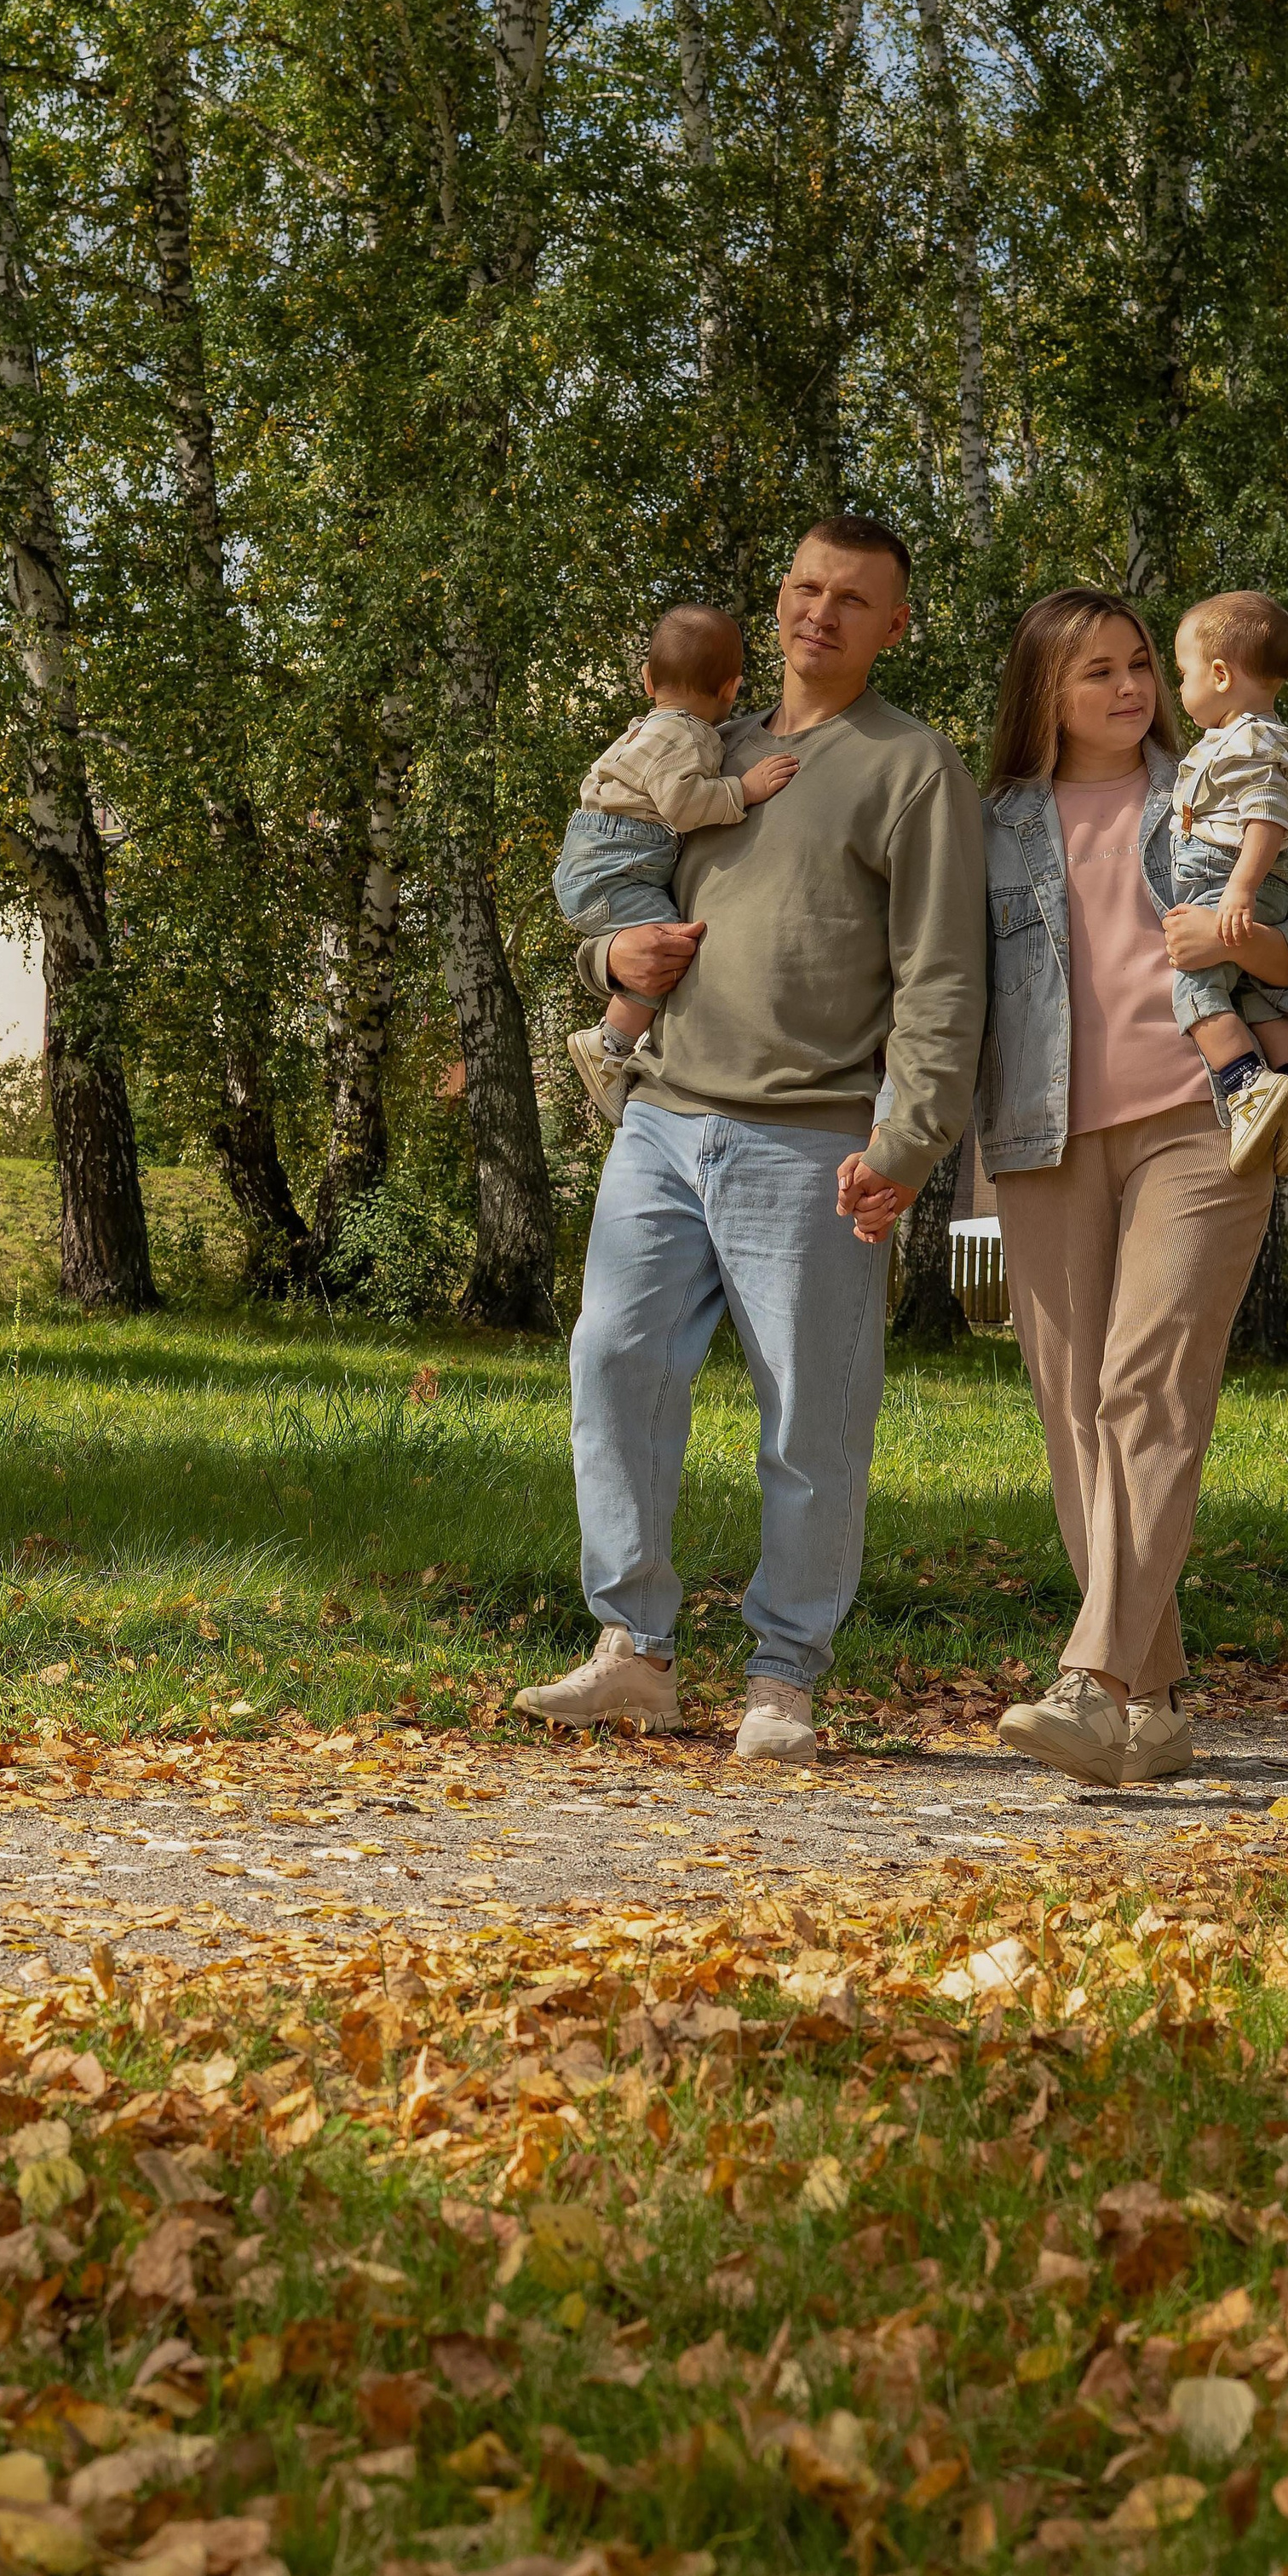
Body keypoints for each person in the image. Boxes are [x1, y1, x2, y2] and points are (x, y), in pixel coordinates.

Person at [515, 515, 986, 1762]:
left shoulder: (911, 765)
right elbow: (610, 890)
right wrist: (605, 962)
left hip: (813, 1137)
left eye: (853, 598)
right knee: (612, 1363)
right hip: (663, 1119)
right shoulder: (701, 745)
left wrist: (909, 1139)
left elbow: (942, 973)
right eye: (805, 587)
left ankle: (783, 1681)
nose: (820, 612)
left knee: (810, 1419)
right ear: (778, 599)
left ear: (895, 625)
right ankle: (634, 1650)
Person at [974, 589, 1288, 1790]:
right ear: (1044, 690)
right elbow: (948, 992)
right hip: (1040, 1138)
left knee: (1146, 1385)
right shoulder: (989, 825)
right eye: (1096, 671)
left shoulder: (1218, 780)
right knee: (1074, 1412)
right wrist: (928, 1160)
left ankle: (1091, 1682)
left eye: (1140, 662)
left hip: (1206, 1119)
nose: (1130, 687)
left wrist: (1241, 944)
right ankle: (1156, 1704)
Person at [557, 604, 799, 1126]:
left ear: (647, 679)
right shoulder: (684, 735)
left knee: (663, 946)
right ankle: (609, 1044)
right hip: (616, 864)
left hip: (602, 857)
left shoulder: (653, 728)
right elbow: (681, 804)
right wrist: (743, 790)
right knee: (667, 948)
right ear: (731, 688)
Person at [1166, 590, 1288, 1175]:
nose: (1180, 687)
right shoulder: (1264, 736)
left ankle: (1246, 1082)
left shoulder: (1246, 739)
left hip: (1231, 876)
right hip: (1262, 882)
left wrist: (1240, 889)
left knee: (1194, 985)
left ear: (1220, 675)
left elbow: (1264, 818)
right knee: (1253, 990)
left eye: (1184, 674)